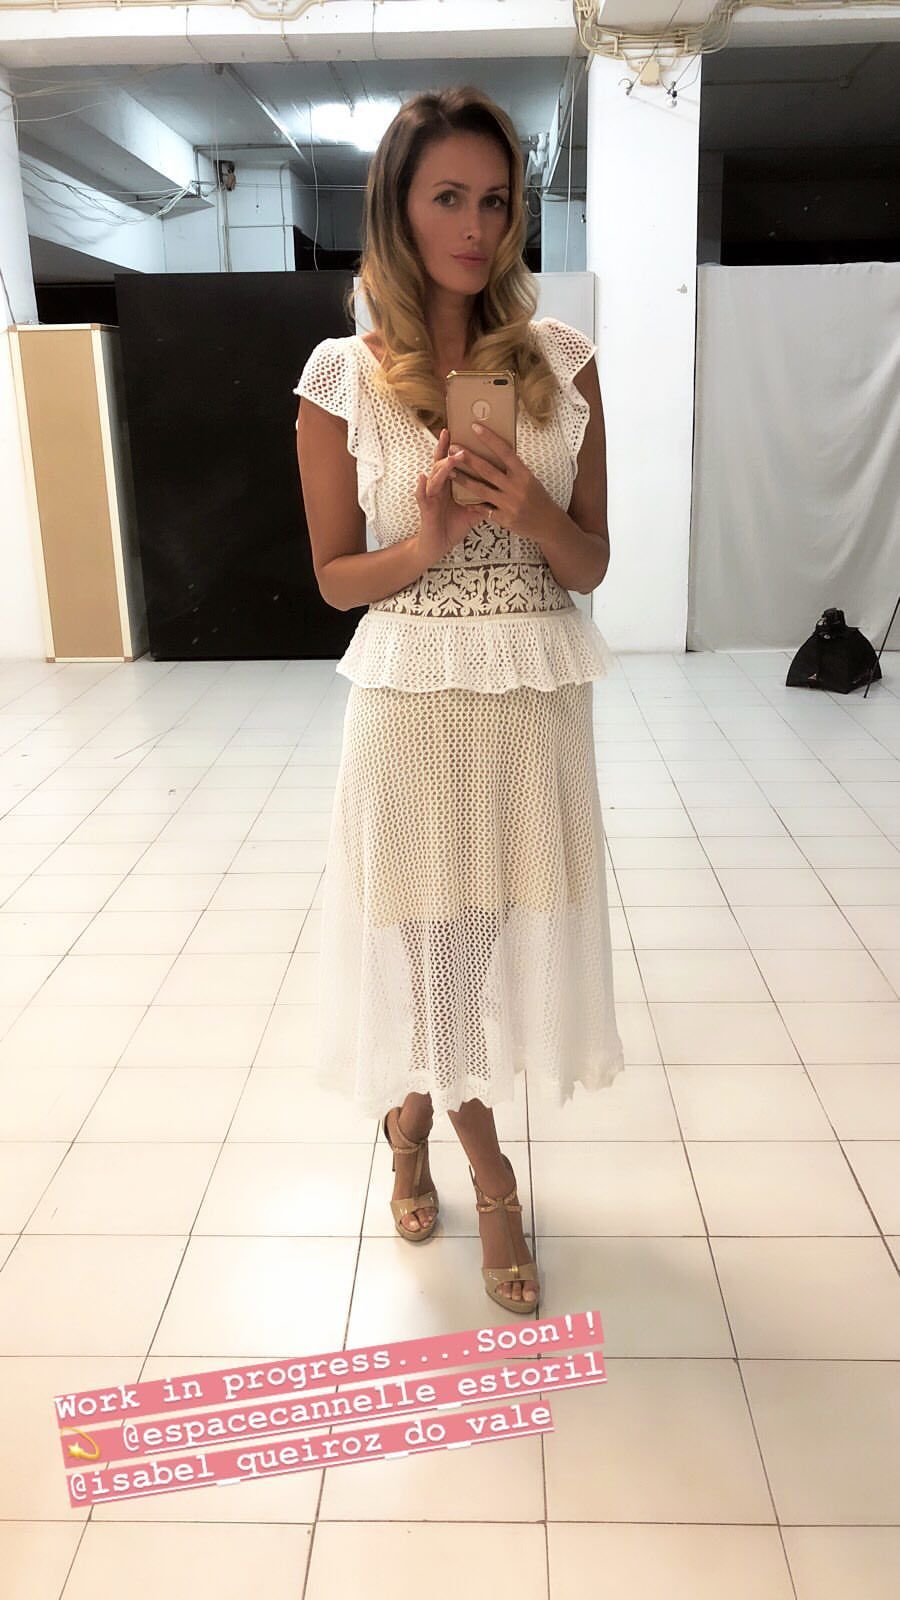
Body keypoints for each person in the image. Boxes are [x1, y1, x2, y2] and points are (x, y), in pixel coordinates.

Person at [294, 86, 624, 1314]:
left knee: (483, 931)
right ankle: (491, 1176)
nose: (477, 227)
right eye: (449, 197)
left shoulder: (562, 364)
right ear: (398, 205)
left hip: (532, 699)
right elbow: (335, 579)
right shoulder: (342, 376)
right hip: (411, 698)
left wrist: (532, 514)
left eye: (496, 200)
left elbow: (591, 564)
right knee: (432, 939)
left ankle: (410, 1117)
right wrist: (426, 540)